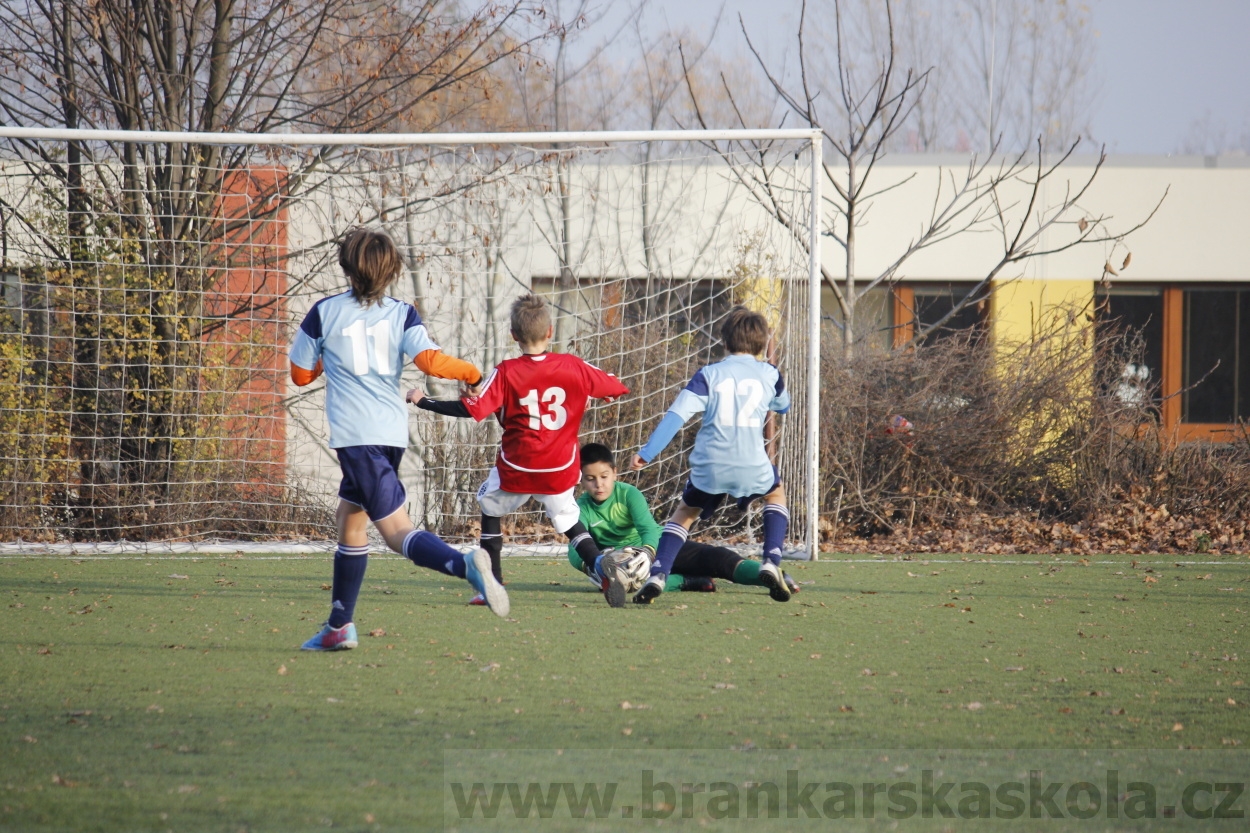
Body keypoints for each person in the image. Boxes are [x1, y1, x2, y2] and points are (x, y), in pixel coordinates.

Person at [289, 227, 509, 651]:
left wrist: (326, 362)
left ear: (347, 267)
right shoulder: (402, 313)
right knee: (350, 523)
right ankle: (339, 625)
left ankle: (467, 566)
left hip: (356, 438)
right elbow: (429, 360)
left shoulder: (324, 312)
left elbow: (300, 375)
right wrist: (473, 374)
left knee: (395, 532)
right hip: (390, 432)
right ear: (391, 272)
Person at [411, 293, 630, 604]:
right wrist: (606, 392)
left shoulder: (507, 371)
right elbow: (615, 385)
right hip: (559, 467)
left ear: (513, 335)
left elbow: (471, 409)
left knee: (488, 506)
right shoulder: (573, 365)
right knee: (567, 518)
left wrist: (424, 400)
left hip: (519, 467)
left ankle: (493, 585)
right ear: (550, 332)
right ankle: (598, 564)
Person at [630, 306, 792, 605]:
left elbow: (675, 417)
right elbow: (783, 406)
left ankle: (659, 573)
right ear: (761, 344)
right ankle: (771, 560)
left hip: (710, 465)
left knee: (685, 513)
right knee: (775, 495)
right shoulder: (770, 374)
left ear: (725, 342)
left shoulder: (709, 375)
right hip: (751, 463)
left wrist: (647, 452)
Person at [571, 442, 799, 600]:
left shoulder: (629, 494)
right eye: (590, 479)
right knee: (629, 583)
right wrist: (597, 564)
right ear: (581, 480)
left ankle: (773, 576)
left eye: (603, 477)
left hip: (660, 548)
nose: (598, 484)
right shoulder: (580, 507)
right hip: (627, 564)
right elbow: (575, 548)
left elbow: (649, 529)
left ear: (614, 473)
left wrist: (647, 552)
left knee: (718, 558)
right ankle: (686, 581)